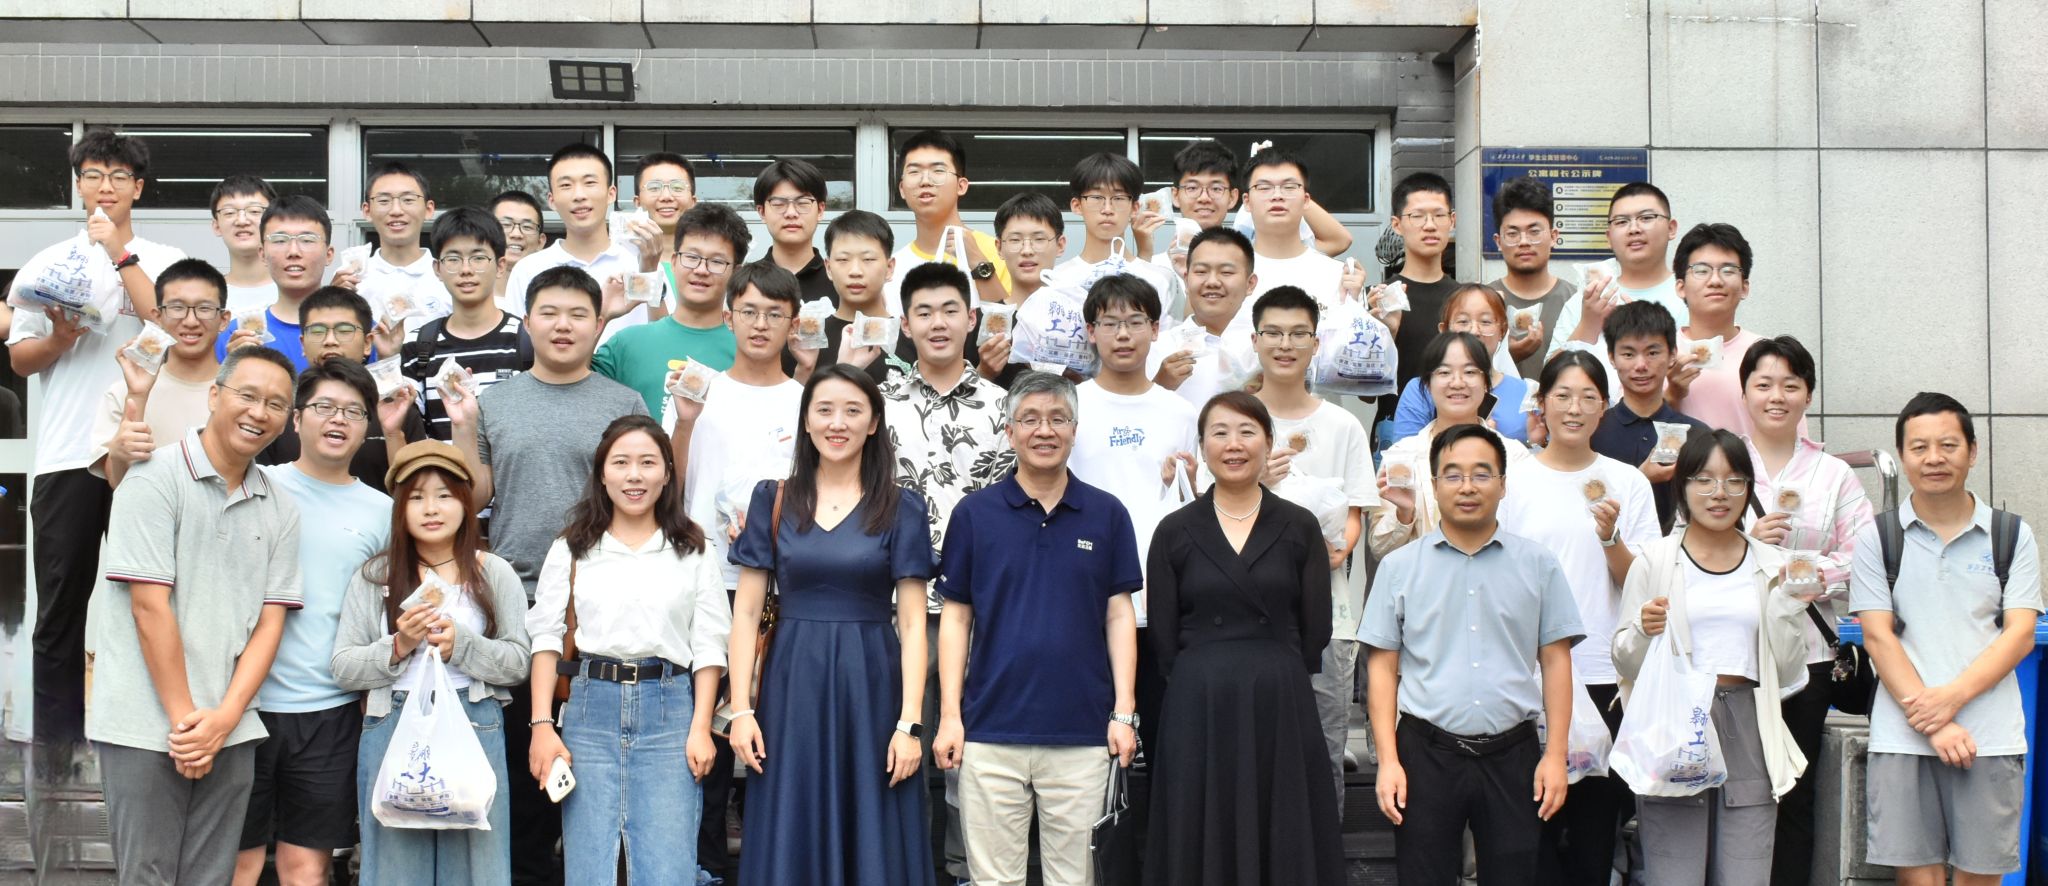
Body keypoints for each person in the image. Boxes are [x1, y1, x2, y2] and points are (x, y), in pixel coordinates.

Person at [446, 264, 647, 885]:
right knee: (522, 777)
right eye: (550, 313)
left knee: (600, 777)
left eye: (578, 314)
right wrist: (463, 426)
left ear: (598, 324)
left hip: (602, 606)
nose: (563, 326)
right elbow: (475, 497)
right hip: (516, 601)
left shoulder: (623, 403)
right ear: (526, 322)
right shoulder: (495, 401)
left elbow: (645, 493)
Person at [87, 346, 301, 885]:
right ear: (214, 396)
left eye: (276, 404)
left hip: (231, 727)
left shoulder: (280, 504)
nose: (259, 412)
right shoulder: (153, 477)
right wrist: (188, 726)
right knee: (148, 876)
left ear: (286, 419)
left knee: (212, 877)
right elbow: (148, 606)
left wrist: (225, 719)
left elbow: (271, 621)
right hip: (144, 724)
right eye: (247, 395)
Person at [724, 365, 935, 885]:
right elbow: (746, 613)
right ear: (806, 421)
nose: (837, 423)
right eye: (824, 410)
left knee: (874, 821)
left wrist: (909, 724)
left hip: (872, 688)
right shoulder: (772, 498)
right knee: (790, 818)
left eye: (852, 411)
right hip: (790, 687)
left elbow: (913, 624)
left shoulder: (902, 506)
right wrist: (742, 710)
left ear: (873, 423)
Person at [934, 371, 1143, 886]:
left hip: (1083, 734)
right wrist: (950, 717)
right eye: (1029, 419)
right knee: (993, 881)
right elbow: (956, 618)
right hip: (989, 731)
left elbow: (1120, 615)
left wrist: (1124, 712)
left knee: (1075, 880)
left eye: (1057, 419)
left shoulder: (1107, 514)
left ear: (1075, 429)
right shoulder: (975, 514)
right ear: (1010, 432)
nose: (1044, 430)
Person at [14, 127, 186, 751]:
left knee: (159, 599)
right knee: (60, 609)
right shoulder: (50, 264)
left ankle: (154, 736)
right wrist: (60, 339)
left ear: (137, 187)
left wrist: (119, 252)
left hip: (149, 452)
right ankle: (57, 753)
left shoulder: (164, 258)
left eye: (117, 176)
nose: (104, 187)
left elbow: (167, 323)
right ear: (78, 185)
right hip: (68, 454)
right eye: (93, 176)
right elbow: (21, 360)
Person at [1360, 423, 1583, 886]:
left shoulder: (1538, 564)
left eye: (1482, 474)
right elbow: (1382, 667)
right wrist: (1388, 761)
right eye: (1453, 475)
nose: (1467, 487)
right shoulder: (1400, 567)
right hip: (1425, 754)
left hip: (1514, 753)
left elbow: (1556, 660)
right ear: (1433, 484)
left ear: (1503, 484)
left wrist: (1555, 755)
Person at [1142, 390, 1344, 885]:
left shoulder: (1299, 525)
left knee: (1282, 821)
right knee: (1199, 822)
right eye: (1220, 433)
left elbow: (1317, 626)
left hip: (1279, 696)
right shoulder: (1174, 530)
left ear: (1268, 443)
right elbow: (1162, 634)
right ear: (1202, 446)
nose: (1233, 444)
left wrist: (1279, 667)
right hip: (1198, 698)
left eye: (1247, 432)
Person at [525, 415, 730, 882]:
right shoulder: (573, 547)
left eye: (647, 463)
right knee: (590, 863)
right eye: (620, 462)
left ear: (667, 473)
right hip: (589, 710)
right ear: (602, 473)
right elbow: (546, 639)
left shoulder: (692, 547)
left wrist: (700, 727)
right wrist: (541, 726)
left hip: (670, 710)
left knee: (668, 864)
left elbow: (708, 645)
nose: (634, 475)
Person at [1851, 393, 2041, 886]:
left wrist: (1950, 701)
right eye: (1919, 447)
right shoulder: (1878, 537)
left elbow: (2021, 634)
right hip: (1904, 737)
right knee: (1920, 880)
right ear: (1903, 455)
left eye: (1948, 445)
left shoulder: (2010, 535)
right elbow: (1878, 637)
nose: (1934, 458)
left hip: (1990, 736)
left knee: (1981, 877)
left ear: (1972, 451)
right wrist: (1934, 724)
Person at [1612, 428, 1813, 886]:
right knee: (1673, 873)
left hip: (1749, 722)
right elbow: (1623, 661)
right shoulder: (1654, 561)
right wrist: (1643, 629)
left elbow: (1788, 672)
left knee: (1746, 873)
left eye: (1733, 480)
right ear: (1682, 486)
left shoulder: (1771, 564)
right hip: (1674, 722)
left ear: (1748, 488)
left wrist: (1787, 608)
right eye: (1703, 479)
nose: (1719, 493)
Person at [331, 440, 532, 885]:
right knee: (396, 869)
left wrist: (463, 645)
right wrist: (399, 645)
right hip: (393, 721)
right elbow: (343, 667)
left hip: (474, 719)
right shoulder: (375, 577)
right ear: (399, 508)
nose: (431, 508)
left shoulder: (493, 572)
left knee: (476, 868)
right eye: (417, 497)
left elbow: (519, 662)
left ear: (465, 502)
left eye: (444, 494)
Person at [1498, 350, 1661, 886]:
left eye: (1588, 397)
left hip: (1604, 674)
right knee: (1532, 831)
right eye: (1562, 396)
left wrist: (1611, 539)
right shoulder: (1513, 481)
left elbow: (1642, 582)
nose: (1574, 408)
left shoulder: (1627, 482)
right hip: (1526, 676)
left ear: (1604, 407)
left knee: (1595, 833)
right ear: (1541, 403)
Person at [232, 358, 392, 886]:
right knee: (237, 863)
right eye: (324, 407)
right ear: (296, 420)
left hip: (330, 711)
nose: (338, 419)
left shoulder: (382, 512)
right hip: (242, 706)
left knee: (308, 868)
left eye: (353, 411)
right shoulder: (255, 484)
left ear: (367, 428)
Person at [882, 260, 1015, 882]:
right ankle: (905, 869)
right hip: (895, 607)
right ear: (905, 325)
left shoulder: (1006, 408)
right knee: (900, 741)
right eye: (924, 312)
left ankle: (967, 872)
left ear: (972, 318)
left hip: (983, 609)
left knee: (974, 756)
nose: (938, 323)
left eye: (949, 310)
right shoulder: (877, 406)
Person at [1735, 335, 1874, 886]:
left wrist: (1808, 575)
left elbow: (1864, 555)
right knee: (1734, 789)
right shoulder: (1721, 460)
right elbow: (1686, 544)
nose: (1777, 396)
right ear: (1744, 392)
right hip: (1734, 656)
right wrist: (1747, 543)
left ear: (1808, 395)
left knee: (1795, 792)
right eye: (1764, 384)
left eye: (1790, 385)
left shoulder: (1834, 474)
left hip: (1809, 657)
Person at [1242, 285, 1377, 797]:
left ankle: (1322, 843)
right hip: (1247, 612)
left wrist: (1341, 546)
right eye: (1273, 333)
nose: (1286, 344)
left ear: (1316, 344)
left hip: (1329, 611)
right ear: (1255, 340)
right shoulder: (1235, 419)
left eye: (1299, 334)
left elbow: (1356, 510)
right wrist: (1255, 481)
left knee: (1322, 747)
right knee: (1252, 752)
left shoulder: (1342, 425)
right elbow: (1211, 507)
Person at [239, 287, 425, 494]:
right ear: (302, 344)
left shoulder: (397, 409)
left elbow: (418, 491)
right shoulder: (277, 408)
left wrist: (393, 434)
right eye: (317, 331)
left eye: (344, 331)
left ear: (367, 343)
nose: (330, 340)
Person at [1368, 332, 1532, 559]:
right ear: (1427, 384)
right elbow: (1380, 550)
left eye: (1470, 372)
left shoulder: (1514, 456)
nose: (1457, 383)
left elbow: (1528, 537)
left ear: (1486, 383)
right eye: (1444, 372)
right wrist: (1404, 514)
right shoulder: (1402, 456)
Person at [594, 202, 748, 414]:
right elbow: (569, 382)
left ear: (736, 273)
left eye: (716, 262)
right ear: (674, 262)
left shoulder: (748, 349)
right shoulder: (627, 343)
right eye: (692, 257)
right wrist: (601, 314)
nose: (701, 270)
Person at [90, 258, 229, 489]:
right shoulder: (123, 392)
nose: (191, 321)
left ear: (224, 320)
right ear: (157, 317)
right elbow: (118, 483)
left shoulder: (241, 392)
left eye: (204, 309)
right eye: (177, 308)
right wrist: (137, 396)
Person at [399, 205, 533, 442]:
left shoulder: (527, 339)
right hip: (440, 466)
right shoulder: (418, 343)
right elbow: (408, 427)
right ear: (437, 269)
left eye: (478, 258)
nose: (466, 270)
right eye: (453, 259)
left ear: (500, 266)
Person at [500, 143, 661, 339]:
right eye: (566, 185)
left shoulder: (641, 263)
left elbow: (663, 338)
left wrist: (649, 274)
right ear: (551, 200)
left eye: (590, 183)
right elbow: (517, 343)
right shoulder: (528, 269)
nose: (579, 195)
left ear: (611, 193)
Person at [1666, 222, 1804, 439]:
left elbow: (1794, 443)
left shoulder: (1770, 356)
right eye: (1701, 270)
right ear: (1680, 287)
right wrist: (1671, 395)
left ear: (1744, 287)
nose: (1715, 280)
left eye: (1728, 270)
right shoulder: (1656, 355)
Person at [1590, 301, 1707, 533]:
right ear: (1611, 357)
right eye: (1628, 354)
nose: (1641, 365)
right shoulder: (1592, 431)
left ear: (1672, 354)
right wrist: (1641, 478)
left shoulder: (1698, 436)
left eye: (1653, 353)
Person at [1548, 181, 1687, 358]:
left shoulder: (1691, 294)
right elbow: (1550, 372)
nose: (1634, 229)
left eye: (1646, 218)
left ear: (1671, 228)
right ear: (1609, 237)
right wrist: (1588, 325)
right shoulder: (1589, 300)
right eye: (1622, 221)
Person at [1232, 149, 1365, 330]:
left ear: (1306, 200)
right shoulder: (1227, 274)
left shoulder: (1339, 277)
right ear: (1247, 201)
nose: (1277, 196)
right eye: (1264, 187)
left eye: (1289, 187)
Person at [1388, 282, 1534, 443]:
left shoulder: (1527, 392)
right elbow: (1405, 452)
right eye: (1463, 321)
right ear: (1444, 330)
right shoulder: (1421, 389)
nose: (1474, 331)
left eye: (1485, 322)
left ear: (1502, 331)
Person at [214, 196, 345, 368]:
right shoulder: (238, 335)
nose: (293, 252)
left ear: (329, 254)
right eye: (280, 240)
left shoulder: (356, 329)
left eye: (307, 240)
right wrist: (233, 371)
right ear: (262, 254)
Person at [891, 129, 1011, 304]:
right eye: (914, 172)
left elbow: (1010, 317)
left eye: (938, 170)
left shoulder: (999, 253)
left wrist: (979, 263)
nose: (925, 181)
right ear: (902, 189)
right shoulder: (892, 268)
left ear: (961, 186)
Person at [1376, 173, 1463, 400]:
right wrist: (1387, 334)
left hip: (1458, 420)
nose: (1430, 226)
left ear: (1452, 220)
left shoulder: (1465, 300)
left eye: (1439, 215)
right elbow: (1366, 395)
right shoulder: (1379, 298)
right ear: (1397, 225)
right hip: (1394, 420)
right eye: (1417, 216)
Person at [1052, 152, 1177, 312]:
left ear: (1135, 208)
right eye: (1096, 197)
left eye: (1118, 198)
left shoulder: (1160, 279)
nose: (1107, 209)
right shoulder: (1058, 280)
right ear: (1077, 206)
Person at [1151, 227, 1259, 410]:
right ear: (1186, 280)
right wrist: (1159, 386)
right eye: (1201, 271)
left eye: (1226, 272)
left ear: (1250, 284)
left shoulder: (1265, 349)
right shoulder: (1157, 349)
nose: (1212, 282)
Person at [813, 210, 918, 382]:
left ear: (889, 268)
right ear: (829, 268)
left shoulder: (913, 338)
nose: (855, 271)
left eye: (868, 259)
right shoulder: (810, 341)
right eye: (843, 260)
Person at [1487, 176, 1575, 378]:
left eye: (1534, 231)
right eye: (1513, 233)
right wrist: (1507, 357)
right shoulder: (1483, 302)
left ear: (1553, 237)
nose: (1524, 242)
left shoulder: (1577, 301)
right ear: (1498, 241)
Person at [350, 162, 449, 327]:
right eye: (384, 201)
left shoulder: (450, 277)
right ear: (367, 211)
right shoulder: (352, 278)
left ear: (429, 209)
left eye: (408, 200)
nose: (396, 210)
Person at [751, 157, 840, 306]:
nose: (791, 213)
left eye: (803, 203)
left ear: (820, 210)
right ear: (762, 212)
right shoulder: (747, 281)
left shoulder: (841, 281)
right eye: (778, 204)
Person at [212, 174, 280, 318]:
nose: (242, 221)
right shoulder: (206, 295)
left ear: (274, 222)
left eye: (254, 211)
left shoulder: (295, 291)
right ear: (216, 226)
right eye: (229, 212)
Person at [489, 190, 547, 308]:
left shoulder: (550, 301)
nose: (516, 234)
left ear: (540, 242)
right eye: (505, 224)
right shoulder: (460, 298)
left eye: (527, 227)